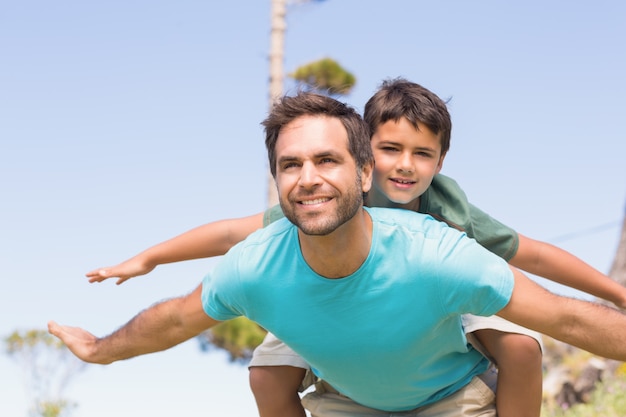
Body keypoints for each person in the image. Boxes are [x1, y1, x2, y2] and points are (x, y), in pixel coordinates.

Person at [50, 92, 626, 417]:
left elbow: (554, 288)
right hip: (323, 313)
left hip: (436, 300)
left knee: (521, 345)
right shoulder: (278, 240)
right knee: (267, 374)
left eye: (327, 161)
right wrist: (139, 275)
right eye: (290, 166)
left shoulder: (446, 235)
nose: (407, 166)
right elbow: (192, 290)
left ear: (361, 170)